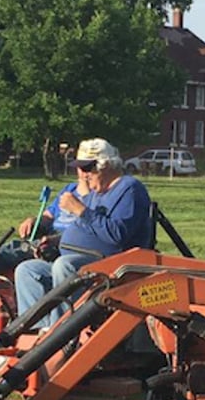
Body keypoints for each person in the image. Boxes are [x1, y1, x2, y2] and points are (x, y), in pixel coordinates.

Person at [12, 138, 153, 329]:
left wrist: (81, 210)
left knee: (64, 266)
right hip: (84, 261)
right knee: (28, 270)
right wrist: (54, 241)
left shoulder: (129, 189)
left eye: (88, 169)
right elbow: (87, 229)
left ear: (106, 165)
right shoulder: (97, 192)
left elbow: (117, 235)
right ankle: (37, 332)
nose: (83, 175)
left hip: (113, 266)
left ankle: (60, 335)